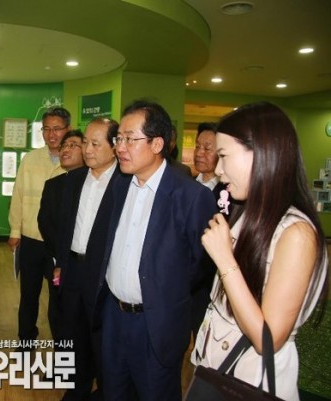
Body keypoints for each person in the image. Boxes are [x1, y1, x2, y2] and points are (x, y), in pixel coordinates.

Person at [192, 102, 329, 401]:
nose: (218, 169)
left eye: (224, 156)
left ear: (261, 153)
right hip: (216, 372)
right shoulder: (247, 213)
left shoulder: (296, 233)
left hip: (250, 382)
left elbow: (268, 340)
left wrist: (224, 259)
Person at [94, 100, 217, 401]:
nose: (120, 147)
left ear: (157, 143)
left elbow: (200, 264)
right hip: (114, 318)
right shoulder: (120, 185)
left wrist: (163, 292)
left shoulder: (191, 196)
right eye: (118, 138)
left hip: (156, 326)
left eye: (129, 139)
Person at [55, 117, 120, 401]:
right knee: (73, 335)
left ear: (114, 147)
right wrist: (60, 263)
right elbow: (65, 226)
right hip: (73, 270)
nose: (87, 150)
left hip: (104, 275)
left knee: (103, 341)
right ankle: (76, 390)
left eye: (95, 144)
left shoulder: (124, 184)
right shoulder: (74, 180)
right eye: (85, 143)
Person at [8, 106, 71, 348]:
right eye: (46, 129)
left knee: (58, 297)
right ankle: (26, 339)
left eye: (57, 129)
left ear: (68, 129)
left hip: (58, 244)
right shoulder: (30, 159)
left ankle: (61, 345)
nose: (51, 134)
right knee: (28, 294)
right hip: (31, 239)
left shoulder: (75, 161)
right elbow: (18, 196)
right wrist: (15, 231)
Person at [38, 129, 86, 347]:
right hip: (57, 261)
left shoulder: (94, 185)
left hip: (82, 264)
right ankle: (61, 359)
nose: (65, 149)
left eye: (73, 145)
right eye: (64, 146)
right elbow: (44, 222)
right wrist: (60, 256)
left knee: (80, 320)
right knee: (57, 313)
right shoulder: (53, 184)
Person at [190, 121, 224, 341]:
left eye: (207, 148)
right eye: (197, 146)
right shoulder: (185, 186)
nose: (199, 153)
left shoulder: (228, 194)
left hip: (209, 282)